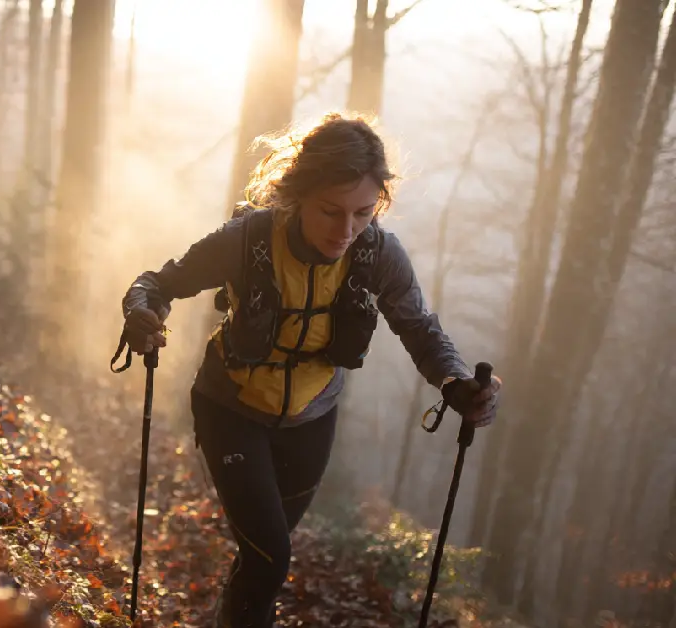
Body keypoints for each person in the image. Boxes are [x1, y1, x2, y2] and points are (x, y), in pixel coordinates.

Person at [117, 112, 502, 627]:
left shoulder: (378, 253)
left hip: (312, 423)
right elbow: (156, 284)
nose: (346, 230)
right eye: (330, 211)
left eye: (363, 212)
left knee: (261, 561)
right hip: (229, 408)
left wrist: (455, 382)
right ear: (298, 194)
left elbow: (420, 328)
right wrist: (142, 315)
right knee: (271, 558)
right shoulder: (248, 240)